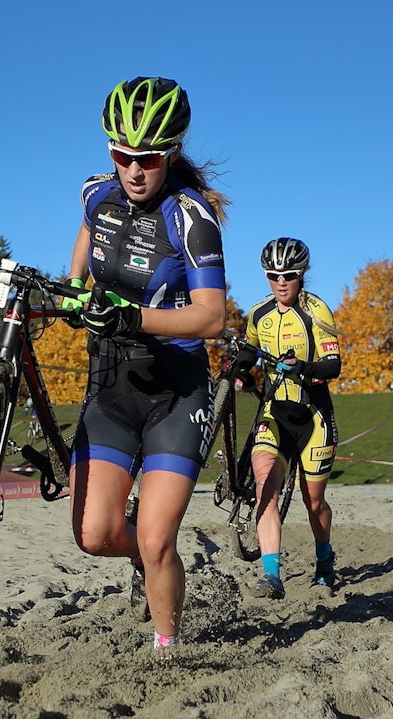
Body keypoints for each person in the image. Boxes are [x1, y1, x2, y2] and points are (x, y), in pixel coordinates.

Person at [64, 76, 229, 652]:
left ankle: (167, 647)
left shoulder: (192, 217)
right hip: (111, 385)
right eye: (122, 156)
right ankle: (144, 559)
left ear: (173, 153)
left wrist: (132, 316)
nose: (134, 170)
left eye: (149, 158)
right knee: (94, 534)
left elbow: (213, 318)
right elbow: (86, 239)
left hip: (177, 393)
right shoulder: (95, 194)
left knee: (160, 540)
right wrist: (71, 286)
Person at [239, 238, 342, 599]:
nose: (281, 282)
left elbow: (334, 365)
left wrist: (304, 367)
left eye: (289, 275)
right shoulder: (258, 313)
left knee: (313, 502)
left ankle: (324, 557)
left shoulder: (317, 311)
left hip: (313, 417)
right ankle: (272, 576)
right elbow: (250, 352)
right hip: (274, 413)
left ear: (302, 275)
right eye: (273, 275)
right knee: (265, 486)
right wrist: (240, 370)